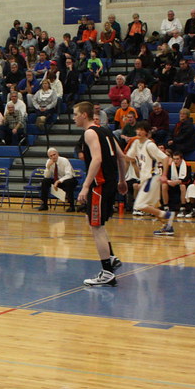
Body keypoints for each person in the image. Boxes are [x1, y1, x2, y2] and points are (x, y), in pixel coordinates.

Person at [74, 101, 127, 287]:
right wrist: (122, 180)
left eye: (75, 114)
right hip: (111, 183)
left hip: (100, 185)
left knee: (96, 226)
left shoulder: (89, 133)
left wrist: (86, 186)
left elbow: (97, 159)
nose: (73, 118)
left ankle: (107, 273)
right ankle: (110, 259)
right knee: (97, 225)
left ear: (83, 115)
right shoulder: (106, 131)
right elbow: (121, 157)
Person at [124, 121, 175, 235]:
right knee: (154, 206)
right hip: (145, 178)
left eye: (142, 130)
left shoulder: (149, 145)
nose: (139, 132)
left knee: (139, 205)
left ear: (147, 132)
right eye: (138, 129)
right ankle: (167, 226)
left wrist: (164, 175)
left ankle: (168, 215)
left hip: (152, 177)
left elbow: (165, 158)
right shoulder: (136, 143)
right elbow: (128, 158)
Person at [37, 147, 77, 212]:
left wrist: (59, 181)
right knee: (45, 181)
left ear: (57, 154)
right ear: (49, 157)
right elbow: (46, 176)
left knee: (68, 182)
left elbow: (69, 175)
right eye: (51, 156)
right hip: (57, 181)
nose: (53, 157)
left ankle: (71, 206)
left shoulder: (64, 160)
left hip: (69, 179)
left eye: (54, 154)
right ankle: (44, 204)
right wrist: (48, 167)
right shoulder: (48, 162)